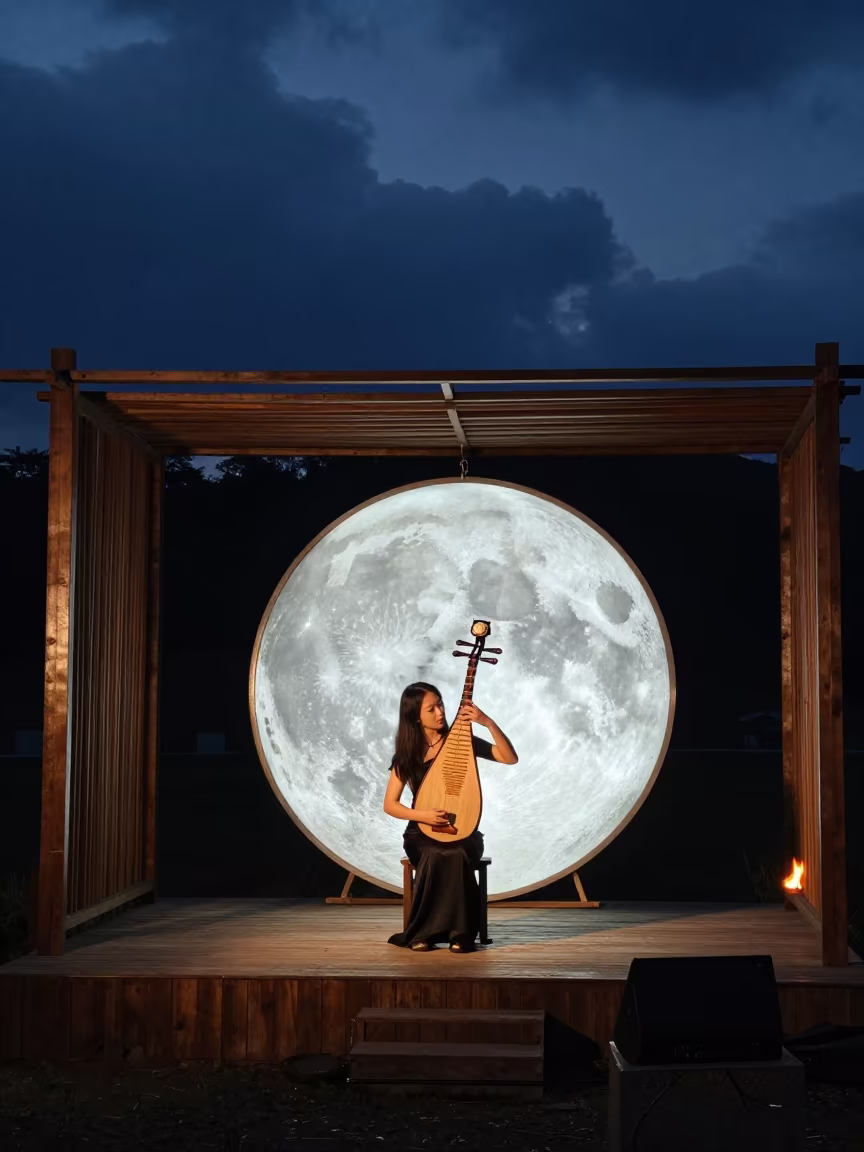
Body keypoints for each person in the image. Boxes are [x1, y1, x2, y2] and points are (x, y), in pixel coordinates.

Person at [383, 681, 518, 953]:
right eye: (430, 709)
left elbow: (509, 757)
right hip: (420, 833)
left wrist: (487, 722)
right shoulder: (407, 754)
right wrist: (424, 815)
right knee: (433, 854)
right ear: (415, 716)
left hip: (463, 831)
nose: (440, 712)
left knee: (455, 853)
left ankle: (462, 933)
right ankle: (424, 932)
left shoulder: (461, 742)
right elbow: (390, 805)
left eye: (441, 704)